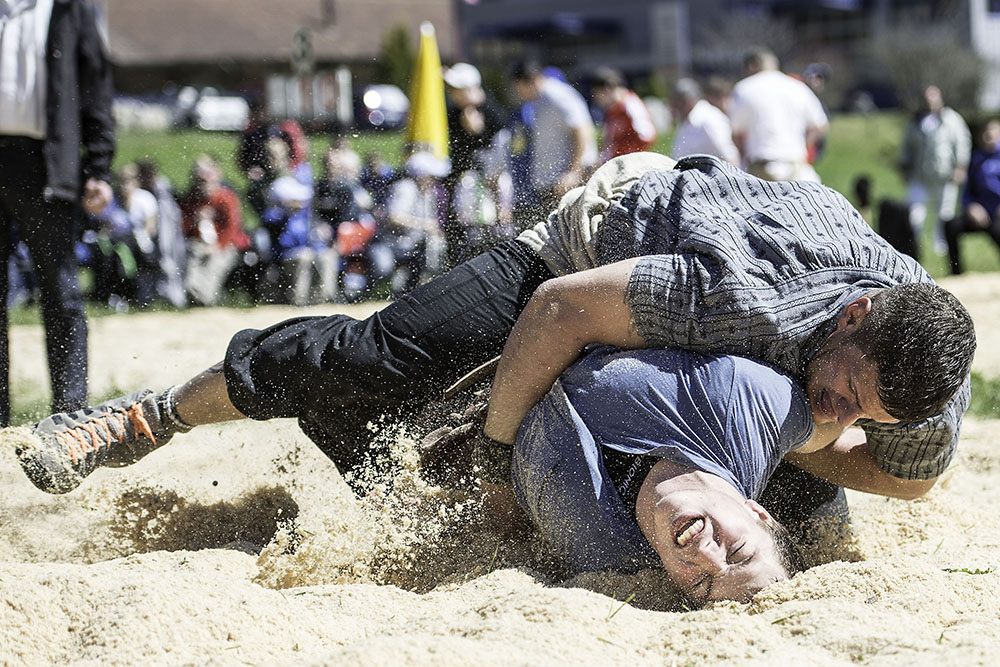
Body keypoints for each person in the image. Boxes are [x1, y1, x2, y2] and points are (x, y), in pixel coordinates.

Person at [13, 154, 975, 550]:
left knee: (805, 493)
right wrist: (503, 452)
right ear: (851, 315)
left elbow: (914, 480)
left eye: (869, 415)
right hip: (600, 243)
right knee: (379, 358)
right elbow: (561, 310)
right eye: (846, 391)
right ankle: (144, 416)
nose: (847, 412)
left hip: (722, 319)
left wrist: (812, 436)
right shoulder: (737, 295)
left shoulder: (922, 376)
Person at [502, 346, 810, 603]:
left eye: (701, 584)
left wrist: (491, 454)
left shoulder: (597, 554)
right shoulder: (751, 407)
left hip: (500, 373)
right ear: (758, 512)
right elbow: (826, 430)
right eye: (739, 552)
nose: (706, 555)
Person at [0, 0, 115, 425]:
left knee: (60, 289)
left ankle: (69, 414)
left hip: (45, 163)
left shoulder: (68, 9)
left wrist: (99, 165)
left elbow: (95, 84)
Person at [510, 60, 598, 217]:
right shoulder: (540, 100)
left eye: (519, 88)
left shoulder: (556, 95)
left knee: (573, 236)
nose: (519, 94)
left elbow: (583, 130)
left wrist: (574, 172)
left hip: (566, 182)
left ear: (532, 79)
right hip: (551, 183)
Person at [728, 47, 828, 182]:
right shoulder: (797, 87)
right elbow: (820, 126)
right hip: (795, 163)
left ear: (752, 66)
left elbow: (735, 132)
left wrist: (744, 156)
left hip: (760, 165)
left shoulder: (743, 88)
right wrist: (804, 148)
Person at [442, 63, 507, 268]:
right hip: (461, 184)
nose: (451, 92)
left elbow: (494, 157)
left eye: (456, 88)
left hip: (480, 186)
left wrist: (475, 128)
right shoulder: (457, 109)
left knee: (480, 235)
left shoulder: (485, 112)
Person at [900, 85, 972, 255]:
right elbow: (907, 146)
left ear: (940, 98)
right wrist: (904, 166)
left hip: (945, 175)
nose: (930, 101)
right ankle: (914, 248)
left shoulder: (952, 119)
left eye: (933, 97)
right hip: (919, 176)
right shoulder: (915, 122)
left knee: (944, 214)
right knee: (914, 214)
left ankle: (943, 250)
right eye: (927, 98)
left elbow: (962, 143)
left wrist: (960, 166)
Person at [179, 156, 251, 306]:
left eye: (207, 181)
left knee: (214, 267)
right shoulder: (192, 200)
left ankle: (205, 298)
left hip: (224, 245)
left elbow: (233, 227)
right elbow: (184, 228)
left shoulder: (226, 198)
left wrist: (218, 245)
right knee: (191, 269)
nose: (204, 185)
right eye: (200, 181)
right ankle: (193, 295)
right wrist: (194, 221)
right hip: (198, 244)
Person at [382, 151, 449, 296]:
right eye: (432, 176)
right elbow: (394, 217)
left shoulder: (428, 192)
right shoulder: (405, 188)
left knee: (437, 245)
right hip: (395, 245)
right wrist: (424, 225)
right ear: (422, 176)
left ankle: (427, 288)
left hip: (414, 246)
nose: (435, 180)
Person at [944, 118, 1000, 275]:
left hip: (997, 212)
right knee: (951, 225)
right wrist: (971, 206)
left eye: (991, 131)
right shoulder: (976, 158)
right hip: (981, 212)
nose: (987, 135)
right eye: (984, 132)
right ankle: (957, 272)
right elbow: (967, 190)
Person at [589, 67, 658, 162]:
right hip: (616, 165)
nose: (597, 99)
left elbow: (647, 135)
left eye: (597, 94)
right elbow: (609, 145)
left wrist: (629, 155)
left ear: (608, 88)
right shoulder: (611, 111)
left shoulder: (631, 104)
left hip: (631, 165)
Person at [669, 78, 740, 165]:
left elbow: (730, 157)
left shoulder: (709, 119)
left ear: (686, 101)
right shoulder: (688, 120)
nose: (672, 108)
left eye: (675, 103)